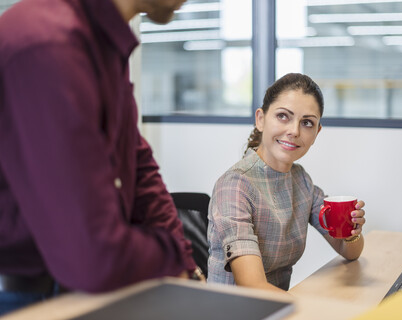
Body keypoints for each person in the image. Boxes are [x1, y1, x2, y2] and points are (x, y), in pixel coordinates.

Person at [0, 0, 203, 316]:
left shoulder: (101, 42)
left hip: (70, 288)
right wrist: (171, 256)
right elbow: (92, 258)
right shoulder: (50, 45)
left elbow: (137, 162)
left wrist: (186, 264)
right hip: (23, 297)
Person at [207, 73, 366, 292]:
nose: (294, 131)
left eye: (307, 123)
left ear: (317, 132)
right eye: (283, 116)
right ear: (260, 119)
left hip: (278, 309)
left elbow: (350, 251)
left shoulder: (300, 180)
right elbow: (253, 286)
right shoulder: (235, 185)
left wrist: (351, 233)